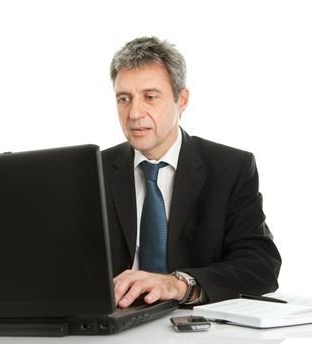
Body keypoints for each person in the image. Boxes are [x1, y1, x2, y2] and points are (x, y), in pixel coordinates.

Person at [102, 37, 281, 308]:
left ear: (181, 100)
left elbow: (260, 265)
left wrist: (180, 284)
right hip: (114, 324)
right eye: (124, 99)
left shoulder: (230, 167)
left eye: (150, 97)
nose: (135, 113)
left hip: (198, 329)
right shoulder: (94, 172)